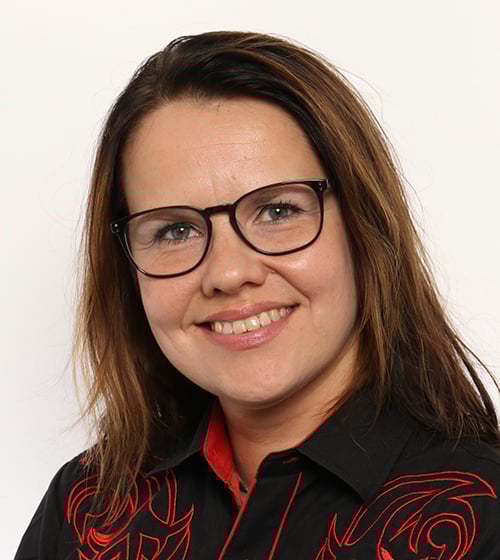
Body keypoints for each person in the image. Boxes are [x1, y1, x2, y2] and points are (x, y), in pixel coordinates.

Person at [15, 31, 500, 560]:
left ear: (366, 227)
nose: (228, 273)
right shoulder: (84, 509)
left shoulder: (485, 517)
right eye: (175, 230)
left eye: (277, 210)